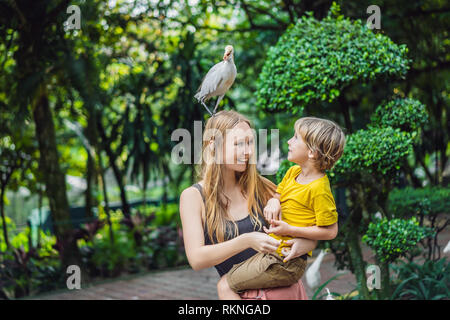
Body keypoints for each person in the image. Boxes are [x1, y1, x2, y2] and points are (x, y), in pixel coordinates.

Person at [179, 110, 317, 300]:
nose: (247, 151)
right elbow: (196, 259)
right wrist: (247, 240)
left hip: (288, 292)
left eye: (250, 142)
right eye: (238, 144)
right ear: (213, 147)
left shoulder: (263, 187)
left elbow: (310, 230)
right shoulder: (194, 197)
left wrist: (304, 243)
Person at [218, 116, 346, 299]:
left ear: (311, 152)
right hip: (274, 254)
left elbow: (330, 231)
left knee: (225, 285)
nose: (288, 141)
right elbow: (279, 193)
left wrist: (291, 229)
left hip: (286, 262)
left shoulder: (319, 189)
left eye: (295, 138)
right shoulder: (293, 172)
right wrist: (274, 201)